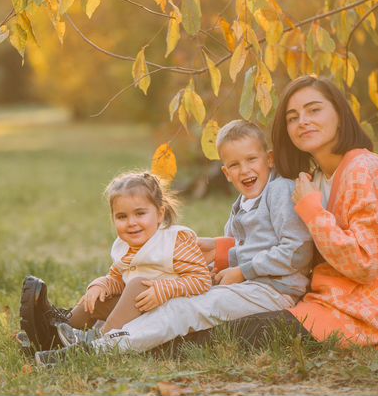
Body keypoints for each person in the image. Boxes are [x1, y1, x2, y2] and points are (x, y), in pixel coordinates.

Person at [41, 120, 314, 357]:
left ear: (269, 159)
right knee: (172, 297)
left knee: (185, 311)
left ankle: (102, 346)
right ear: (226, 173)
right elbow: (238, 250)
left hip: (275, 291)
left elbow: (296, 251)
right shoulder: (242, 204)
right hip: (249, 286)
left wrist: (243, 271)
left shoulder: (279, 190)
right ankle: (80, 332)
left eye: (251, 160)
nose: (244, 170)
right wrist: (205, 266)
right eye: (234, 164)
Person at [197, 75, 378, 348]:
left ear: (339, 114)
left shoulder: (363, 169)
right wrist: (221, 250)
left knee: (235, 333)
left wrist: (311, 210)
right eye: (293, 117)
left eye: (314, 110)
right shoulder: (316, 178)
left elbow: (364, 264)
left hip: (361, 315)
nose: (303, 121)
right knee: (220, 312)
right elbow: (289, 242)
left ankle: (147, 346)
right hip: (320, 302)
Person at [33, 171, 212, 365]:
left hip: (166, 309)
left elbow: (202, 280)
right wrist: (101, 285)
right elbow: (118, 279)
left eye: (140, 213)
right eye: (121, 216)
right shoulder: (125, 246)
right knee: (99, 298)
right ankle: (57, 330)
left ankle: (99, 340)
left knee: (137, 285)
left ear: (160, 214)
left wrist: (164, 289)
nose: (131, 223)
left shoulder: (174, 242)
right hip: (136, 308)